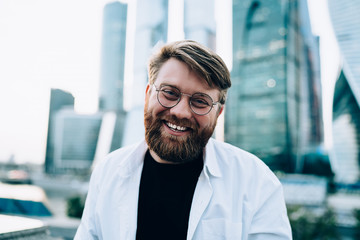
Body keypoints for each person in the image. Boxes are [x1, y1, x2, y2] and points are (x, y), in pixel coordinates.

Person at [74, 40, 292, 240]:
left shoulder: (256, 181)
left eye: (200, 101)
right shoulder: (108, 172)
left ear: (219, 112)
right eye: (169, 93)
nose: (180, 112)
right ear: (148, 94)